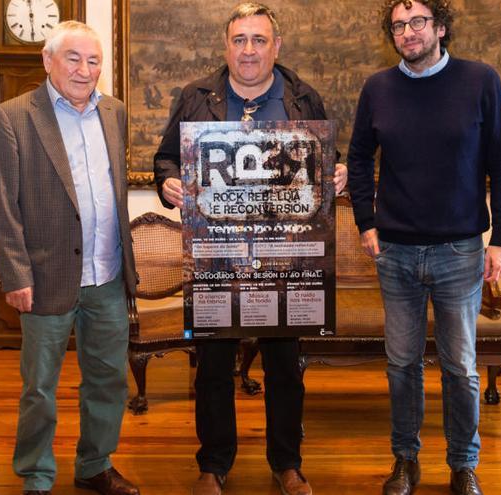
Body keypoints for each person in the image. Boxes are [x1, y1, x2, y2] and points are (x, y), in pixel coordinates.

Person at [152, 4, 347, 495]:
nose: (249, 50)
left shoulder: (304, 98)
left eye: (259, 40)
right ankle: (213, 465)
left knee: (285, 368)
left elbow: (329, 158)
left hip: (288, 257)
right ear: (226, 47)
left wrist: (337, 173)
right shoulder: (196, 97)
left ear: (276, 47)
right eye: (239, 40)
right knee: (213, 367)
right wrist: (169, 181)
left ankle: (287, 463)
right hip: (219, 256)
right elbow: (165, 158)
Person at [346, 2, 501, 495]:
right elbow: (358, 158)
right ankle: (405, 461)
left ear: (440, 27)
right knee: (401, 364)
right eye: (398, 26)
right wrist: (365, 220)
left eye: (418, 22)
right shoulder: (377, 88)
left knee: (460, 366)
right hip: (395, 251)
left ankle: (463, 465)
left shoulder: (480, 80)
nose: (408, 32)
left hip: (460, 250)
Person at [0, 21, 140, 495]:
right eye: (73, 58)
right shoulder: (13, 116)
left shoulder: (113, 112)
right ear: (48, 61)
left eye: (93, 60)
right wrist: (14, 274)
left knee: (109, 380)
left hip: (107, 273)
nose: (84, 69)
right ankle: (36, 474)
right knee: (39, 388)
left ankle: (95, 464)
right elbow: (1, 203)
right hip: (45, 275)